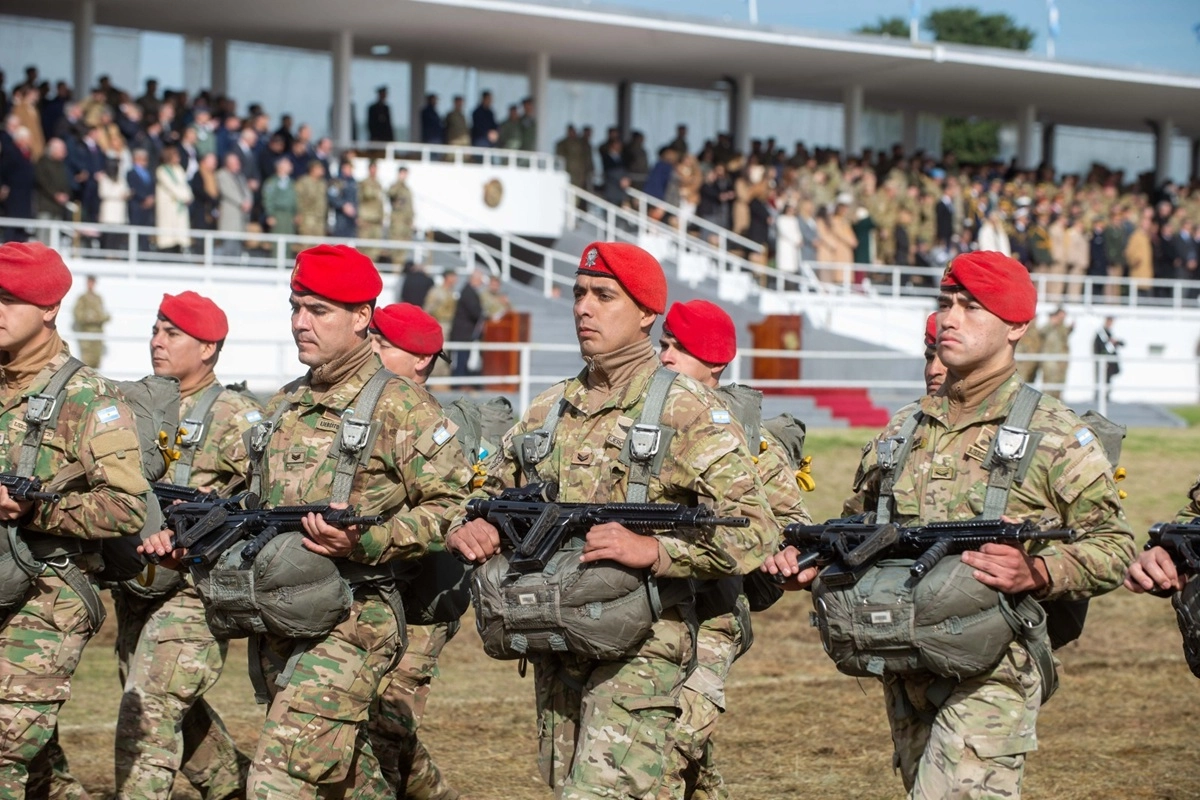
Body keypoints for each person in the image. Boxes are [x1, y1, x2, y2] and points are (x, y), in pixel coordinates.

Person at [764, 250, 1134, 800]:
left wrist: (1037, 570)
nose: (950, 319)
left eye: (971, 306)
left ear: (1016, 327)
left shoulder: (1053, 432)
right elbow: (859, 524)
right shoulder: (903, 427)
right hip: (902, 661)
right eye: (946, 303)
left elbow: (1115, 544)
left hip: (993, 673)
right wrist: (815, 559)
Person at [140, 244, 473, 799]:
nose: (300, 323)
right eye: (296, 307)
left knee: (278, 778)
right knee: (348, 778)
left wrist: (366, 537)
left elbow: (454, 510)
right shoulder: (284, 404)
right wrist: (190, 538)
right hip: (278, 614)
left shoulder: (401, 406)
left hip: (355, 619)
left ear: (362, 317)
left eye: (318, 310)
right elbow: (246, 502)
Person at [445, 242, 774, 799]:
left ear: (647, 314)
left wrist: (660, 552)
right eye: (578, 294)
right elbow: (477, 493)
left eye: (603, 295)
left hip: (644, 646)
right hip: (555, 638)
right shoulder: (549, 409)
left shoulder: (687, 408)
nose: (584, 308)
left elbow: (756, 527)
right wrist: (470, 525)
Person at [0, 242, 150, 794]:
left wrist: (35, 507)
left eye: (9, 300)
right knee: (39, 766)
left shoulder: (90, 399)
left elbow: (127, 505)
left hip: (49, 596)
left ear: (48, 309)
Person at [656, 299, 807, 798]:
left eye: (681, 348)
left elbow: (792, 525)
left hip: (714, 619)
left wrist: (778, 551)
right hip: (646, 615)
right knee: (680, 753)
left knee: (668, 746)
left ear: (716, 364)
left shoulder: (746, 441)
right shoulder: (646, 426)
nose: (666, 357)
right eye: (664, 344)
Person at [113, 292, 262, 800]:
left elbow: (263, 505)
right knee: (171, 706)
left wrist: (198, 528)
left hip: (196, 590)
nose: (157, 341)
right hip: (138, 582)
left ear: (208, 348)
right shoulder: (138, 409)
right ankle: (238, 788)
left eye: (172, 333)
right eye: (156, 329)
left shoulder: (237, 416)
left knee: (148, 707)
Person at [364, 303, 461, 799]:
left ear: (421, 361)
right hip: (373, 599)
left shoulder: (432, 423)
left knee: (384, 726)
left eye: (382, 345)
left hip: (424, 601)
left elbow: (451, 508)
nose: (370, 352)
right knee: (372, 726)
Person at [155, 145, 193, 254]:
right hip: (169, 207)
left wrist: (188, 196)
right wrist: (184, 197)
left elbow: (184, 185)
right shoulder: (162, 170)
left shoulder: (179, 169)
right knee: (168, 237)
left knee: (180, 237)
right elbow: (171, 186)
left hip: (180, 207)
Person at [448, 269, 484, 385]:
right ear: (474, 279)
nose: (481, 282)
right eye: (480, 279)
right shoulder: (468, 292)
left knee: (463, 358)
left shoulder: (468, 291)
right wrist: (483, 313)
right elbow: (474, 311)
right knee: (461, 359)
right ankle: (458, 384)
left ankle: (460, 382)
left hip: (465, 332)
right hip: (463, 332)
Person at [215, 153, 252, 257]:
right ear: (228, 163)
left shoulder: (240, 176)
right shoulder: (222, 175)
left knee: (238, 249)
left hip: (241, 219)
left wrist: (248, 202)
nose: (238, 164)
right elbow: (228, 191)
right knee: (228, 247)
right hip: (230, 218)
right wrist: (242, 202)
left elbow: (247, 191)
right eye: (235, 162)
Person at [71, 274, 110, 368]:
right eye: (89, 282)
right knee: (87, 363)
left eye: (93, 282)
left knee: (97, 362)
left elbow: (103, 314)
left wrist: (99, 318)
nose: (91, 284)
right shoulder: (82, 298)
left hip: (97, 334)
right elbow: (77, 314)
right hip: (86, 334)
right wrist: (89, 318)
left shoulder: (98, 298)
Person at [1038, 306, 1072, 400]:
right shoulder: (1049, 325)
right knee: (1049, 384)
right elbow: (1041, 333)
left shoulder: (1063, 327)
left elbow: (1064, 338)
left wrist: (1071, 328)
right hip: (1050, 360)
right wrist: (1052, 323)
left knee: (1059, 384)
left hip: (1061, 361)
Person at [262, 156, 298, 238]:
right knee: (277, 240)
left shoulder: (291, 182)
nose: (290, 166)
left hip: (289, 216)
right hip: (277, 214)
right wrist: (270, 214)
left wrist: (296, 213)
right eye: (288, 164)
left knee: (289, 239)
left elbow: (294, 198)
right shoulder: (272, 182)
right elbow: (268, 199)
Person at [358, 160, 385, 261]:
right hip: (366, 219)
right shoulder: (364, 183)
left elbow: (380, 202)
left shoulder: (378, 184)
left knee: (375, 247)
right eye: (372, 168)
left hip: (376, 220)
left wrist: (382, 216)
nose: (374, 171)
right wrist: (359, 217)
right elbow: (361, 198)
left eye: (376, 168)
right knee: (364, 247)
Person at [295, 159, 329, 241]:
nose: (322, 170)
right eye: (319, 168)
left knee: (320, 245)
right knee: (307, 244)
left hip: (320, 219)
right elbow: (297, 199)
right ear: (313, 169)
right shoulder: (303, 182)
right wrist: (298, 213)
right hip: (307, 218)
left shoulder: (323, 183)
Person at [386, 167, 414, 265]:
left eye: (405, 173)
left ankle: (399, 267)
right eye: (402, 173)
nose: (404, 176)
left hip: (406, 223)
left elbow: (410, 206)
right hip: (397, 222)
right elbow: (391, 194)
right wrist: (399, 183)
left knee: (404, 248)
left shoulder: (407, 189)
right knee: (396, 247)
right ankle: (395, 268)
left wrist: (411, 220)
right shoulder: (395, 186)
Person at [1093, 316, 1123, 403]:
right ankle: (1099, 397)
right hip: (1103, 360)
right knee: (1101, 379)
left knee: (1107, 379)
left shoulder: (1109, 333)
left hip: (1109, 361)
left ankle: (1106, 396)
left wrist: (1115, 342)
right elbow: (1098, 347)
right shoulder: (1101, 334)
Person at [329, 159, 358, 239]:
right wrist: (343, 205)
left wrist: (356, 214)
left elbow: (357, 199)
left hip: (352, 218)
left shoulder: (354, 182)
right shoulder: (336, 182)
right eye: (347, 168)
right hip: (341, 217)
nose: (349, 170)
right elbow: (332, 197)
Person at [922, 312, 947, 396]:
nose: (932, 371)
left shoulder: (988, 408)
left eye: (947, 358)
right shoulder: (910, 409)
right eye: (929, 358)